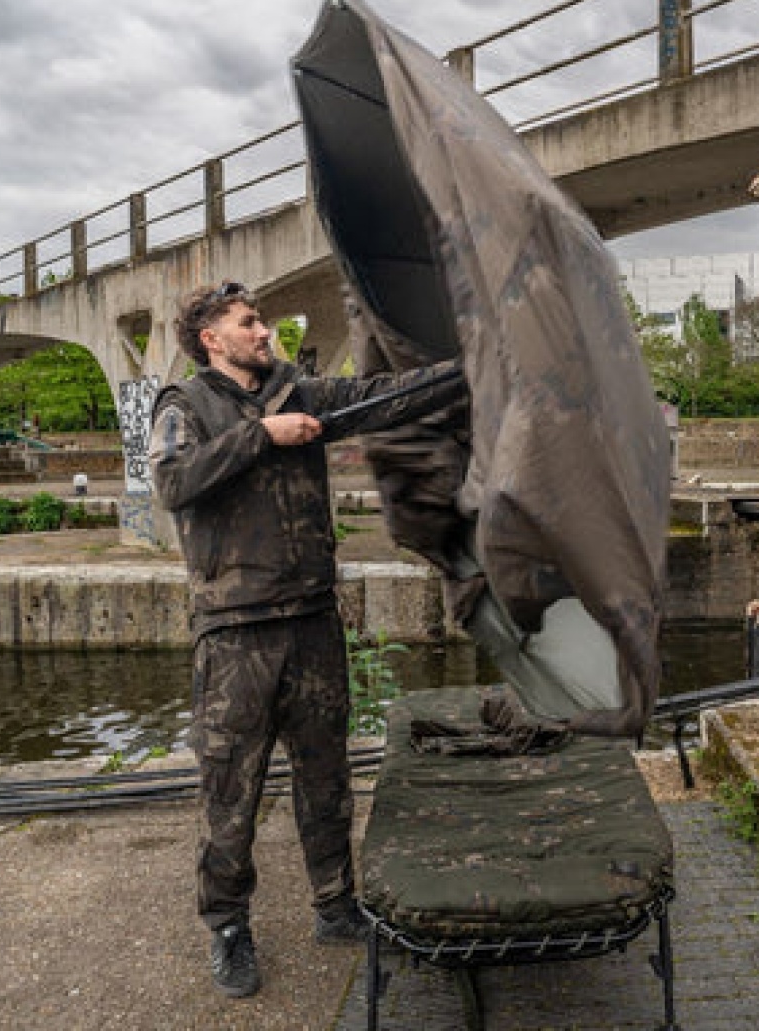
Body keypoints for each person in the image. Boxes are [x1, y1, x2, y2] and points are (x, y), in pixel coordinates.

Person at [149, 280, 463, 999]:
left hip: (313, 622)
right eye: (248, 322)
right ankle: (228, 927)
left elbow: (386, 396)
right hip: (235, 637)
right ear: (211, 338)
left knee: (325, 780)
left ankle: (336, 906)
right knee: (231, 791)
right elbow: (172, 483)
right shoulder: (184, 406)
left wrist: (468, 368)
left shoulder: (298, 391)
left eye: (261, 321)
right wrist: (262, 436)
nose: (264, 332)